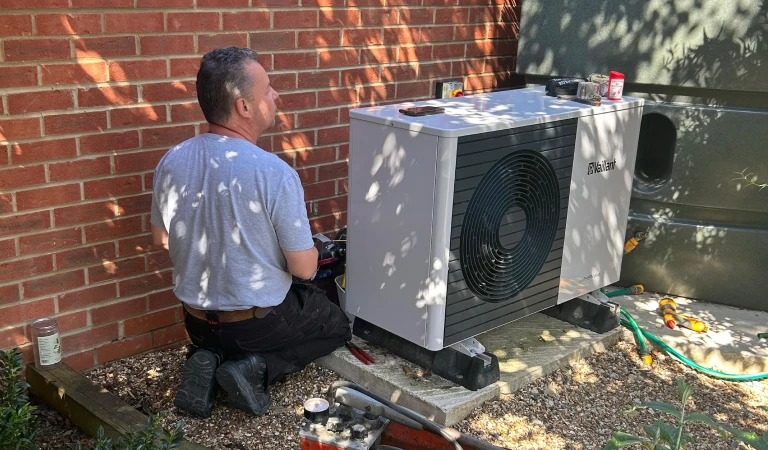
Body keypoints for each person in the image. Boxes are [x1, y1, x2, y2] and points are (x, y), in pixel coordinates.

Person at [149, 47, 351, 419]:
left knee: (229, 332)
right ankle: (255, 368)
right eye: (268, 89)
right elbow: (305, 270)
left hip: (195, 322)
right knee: (337, 327)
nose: (276, 96)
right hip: (257, 326)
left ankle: (208, 359)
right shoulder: (272, 173)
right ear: (244, 106)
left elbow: (161, 239)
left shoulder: (171, 160)